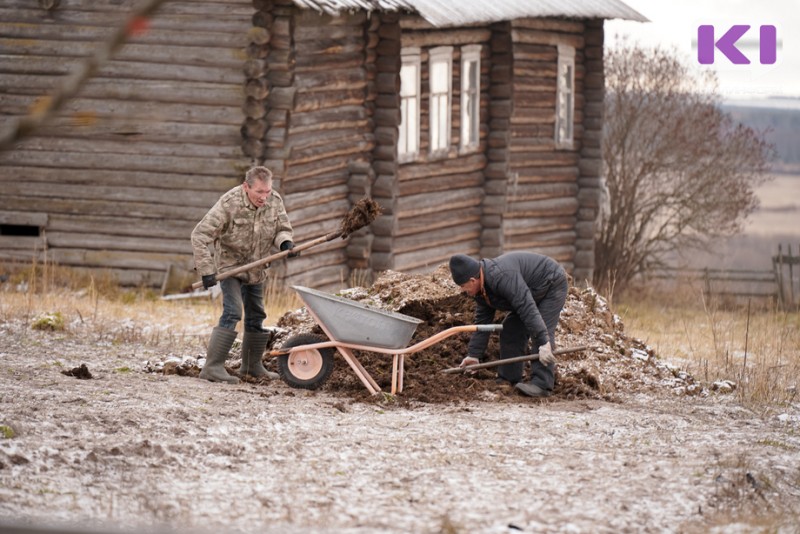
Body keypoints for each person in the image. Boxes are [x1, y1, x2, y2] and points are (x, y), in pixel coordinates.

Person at [191, 165, 296, 384]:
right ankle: (212, 368)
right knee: (233, 311)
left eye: (267, 192)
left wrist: (285, 242)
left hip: (256, 268)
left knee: (257, 314)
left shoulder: (275, 201)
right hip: (231, 268)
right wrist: (207, 270)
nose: (264, 197)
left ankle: (252, 366)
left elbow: (282, 229)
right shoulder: (229, 204)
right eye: (259, 192)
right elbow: (200, 235)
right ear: (246, 186)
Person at [448, 251, 568, 398]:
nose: (463, 291)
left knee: (541, 330)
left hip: (551, 283)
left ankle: (542, 384)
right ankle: (508, 378)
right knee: (511, 328)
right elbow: (482, 324)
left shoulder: (502, 276)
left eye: (463, 286)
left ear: (473, 280)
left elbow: (526, 307)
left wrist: (544, 341)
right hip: (530, 292)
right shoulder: (481, 291)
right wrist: (474, 354)